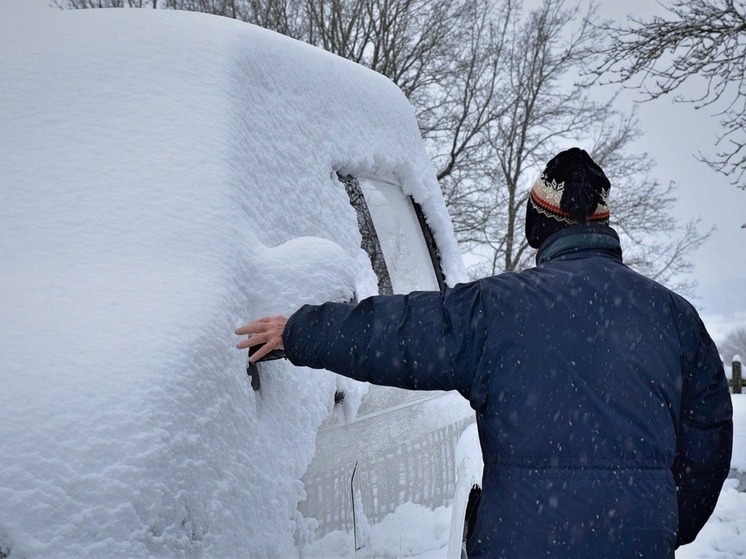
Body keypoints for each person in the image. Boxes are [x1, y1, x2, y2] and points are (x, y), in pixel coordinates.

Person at [236, 148, 733, 558]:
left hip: (521, 543)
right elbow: (707, 446)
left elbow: (398, 332)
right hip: (638, 543)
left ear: (538, 225)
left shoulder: (496, 309)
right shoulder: (675, 318)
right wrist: (659, 523)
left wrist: (300, 331)